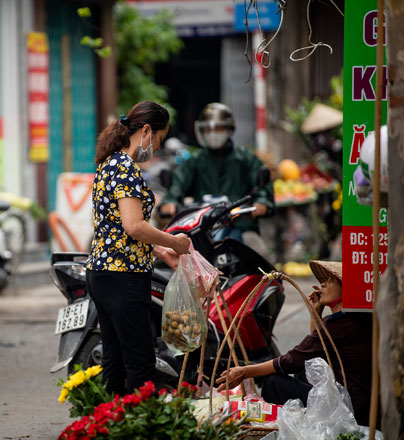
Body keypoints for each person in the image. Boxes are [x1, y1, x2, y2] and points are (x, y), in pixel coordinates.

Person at [86, 101, 191, 395]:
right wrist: (175, 242)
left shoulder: (110, 163)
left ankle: (111, 425)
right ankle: (138, 429)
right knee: (140, 366)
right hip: (123, 277)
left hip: (102, 273)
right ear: (146, 131)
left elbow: (116, 227)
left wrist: (159, 251)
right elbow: (134, 226)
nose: (155, 148)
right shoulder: (126, 169)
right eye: (157, 139)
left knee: (115, 364)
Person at [216, 261, 373, 426]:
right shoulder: (349, 320)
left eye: (330, 281)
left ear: (346, 288)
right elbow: (316, 349)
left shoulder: (340, 324)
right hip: (352, 401)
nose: (322, 285)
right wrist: (316, 311)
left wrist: (245, 371)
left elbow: (291, 360)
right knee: (303, 373)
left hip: (350, 409)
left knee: (272, 382)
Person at [159, 103, 274, 242]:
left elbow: (262, 185)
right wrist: (170, 201)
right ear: (202, 131)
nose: (213, 134)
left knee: (258, 251)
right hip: (201, 229)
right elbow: (177, 184)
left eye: (218, 128)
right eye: (208, 130)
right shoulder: (195, 160)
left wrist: (261, 202)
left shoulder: (245, 158)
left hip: (241, 226)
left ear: (229, 129)